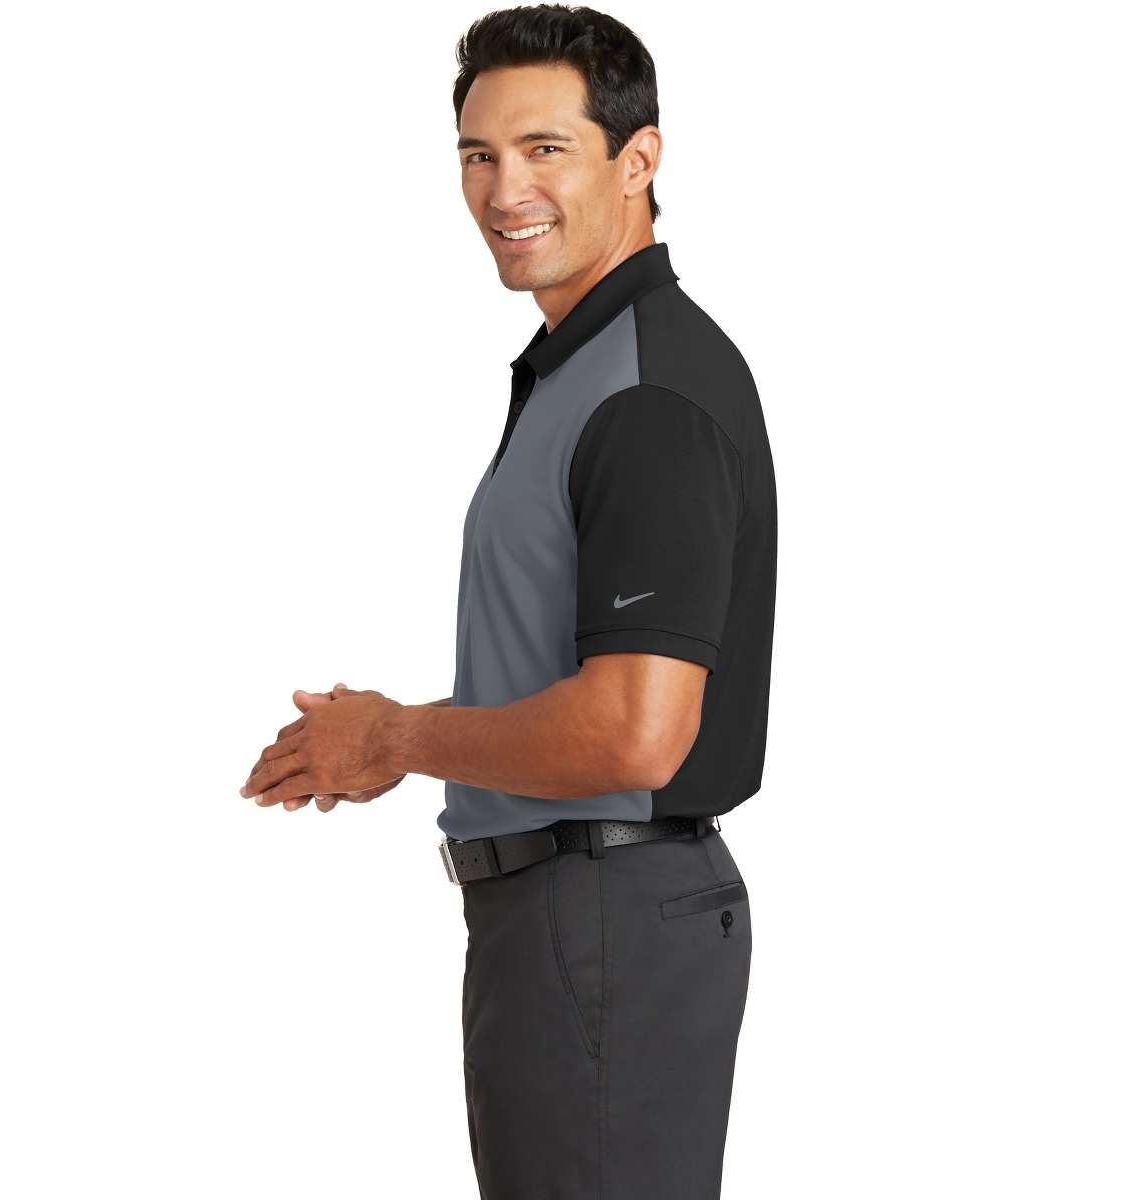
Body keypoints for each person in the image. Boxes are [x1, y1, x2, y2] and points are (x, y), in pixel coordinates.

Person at [240, 6, 777, 1196]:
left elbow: (635, 732)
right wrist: (379, 737)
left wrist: (395, 738)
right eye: (478, 155)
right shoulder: (584, 370)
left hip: (602, 916)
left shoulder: (644, 391)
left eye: (545, 149)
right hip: (576, 917)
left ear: (637, 159)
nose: (502, 190)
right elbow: (575, 687)